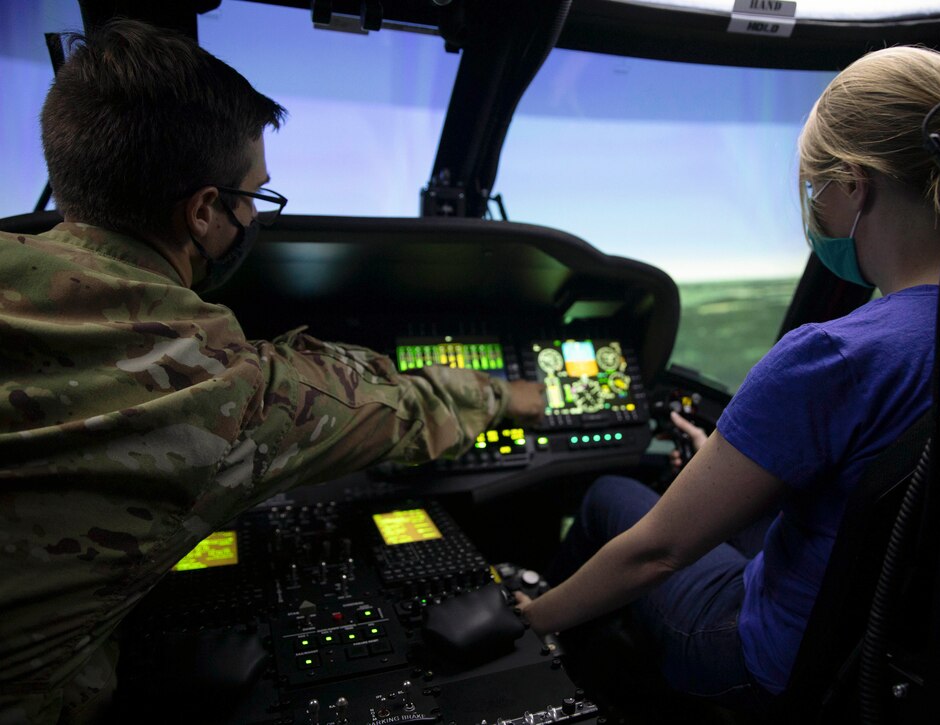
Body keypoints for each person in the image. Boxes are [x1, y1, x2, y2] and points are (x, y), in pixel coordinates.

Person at [0, 20, 544, 724]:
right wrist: (507, 395)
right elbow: (397, 408)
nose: (254, 212)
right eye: (251, 194)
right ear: (202, 211)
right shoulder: (208, 381)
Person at [516, 45, 940, 710]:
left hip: (765, 661)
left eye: (816, 190)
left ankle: (554, 677)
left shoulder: (832, 355)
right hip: (888, 659)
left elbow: (655, 554)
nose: (814, 209)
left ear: (854, 185)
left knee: (610, 497)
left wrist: (529, 617)